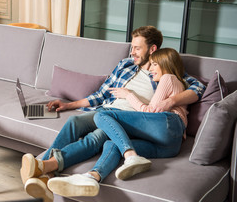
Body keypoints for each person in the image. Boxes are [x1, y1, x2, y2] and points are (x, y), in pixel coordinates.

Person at [19, 26, 205, 202]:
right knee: (74, 121)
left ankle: (44, 169)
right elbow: (101, 94)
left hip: (131, 118)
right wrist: (69, 105)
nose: (132, 52)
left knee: (97, 137)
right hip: (108, 110)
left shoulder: (163, 70)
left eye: (137, 48)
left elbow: (198, 87)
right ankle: (44, 171)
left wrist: (171, 101)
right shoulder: (126, 65)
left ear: (152, 49)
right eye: (132, 47)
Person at [46, 47, 189, 197]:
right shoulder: (178, 83)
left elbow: (150, 112)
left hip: (168, 125)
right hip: (171, 147)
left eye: (154, 65)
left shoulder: (168, 78)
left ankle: (130, 155)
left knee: (101, 117)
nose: (151, 69)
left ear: (165, 64)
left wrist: (128, 95)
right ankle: (93, 176)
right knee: (113, 143)